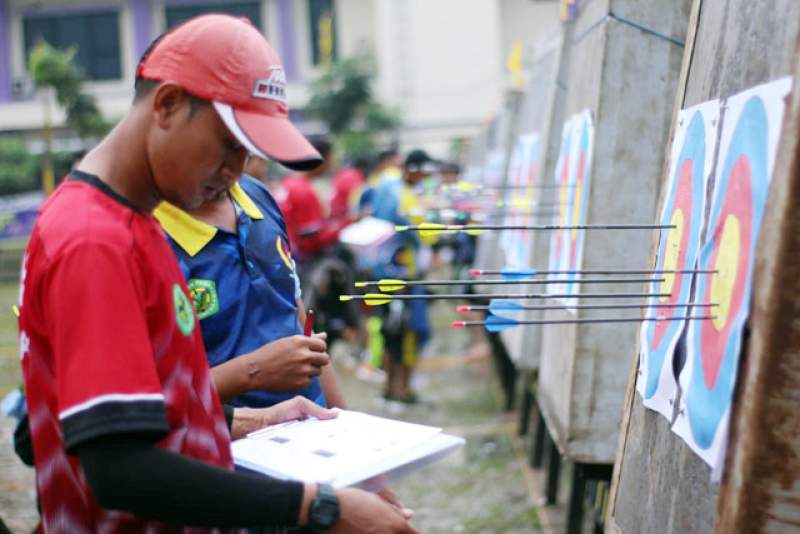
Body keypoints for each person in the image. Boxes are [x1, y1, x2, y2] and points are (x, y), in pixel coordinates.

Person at [17, 14, 415, 533]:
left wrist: (250, 419)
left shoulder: (131, 221)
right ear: (167, 104)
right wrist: (320, 506)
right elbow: (118, 468)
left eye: (248, 152)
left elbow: (155, 408)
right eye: (228, 144)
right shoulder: (95, 240)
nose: (236, 170)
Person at [370, 150, 435, 402]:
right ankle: (401, 389)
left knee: (392, 331)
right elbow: (424, 233)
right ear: (412, 170)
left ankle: (391, 387)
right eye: (422, 173)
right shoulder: (402, 195)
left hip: (388, 272)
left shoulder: (393, 191)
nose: (424, 178)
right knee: (407, 332)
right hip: (402, 275)